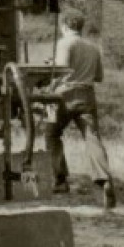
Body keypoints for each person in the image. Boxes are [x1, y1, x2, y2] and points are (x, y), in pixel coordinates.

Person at [44, 12, 116, 209]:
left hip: (64, 95)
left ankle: (60, 181)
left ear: (65, 26)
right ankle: (104, 180)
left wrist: (48, 73)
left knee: (51, 134)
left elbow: (60, 71)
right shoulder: (93, 47)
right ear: (81, 27)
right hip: (87, 95)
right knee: (92, 137)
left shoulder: (64, 43)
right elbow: (99, 77)